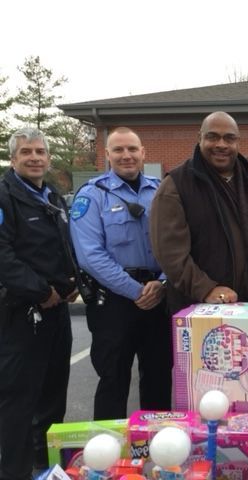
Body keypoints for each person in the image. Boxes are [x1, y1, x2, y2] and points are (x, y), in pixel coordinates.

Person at [69, 127, 171, 420]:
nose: (126, 155)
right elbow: (90, 256)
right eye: (118, 150)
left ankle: (156, 444)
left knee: (159, 378)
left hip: (159, 296)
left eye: (132, 149)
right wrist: (136, 291)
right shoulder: (92, 195)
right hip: (114, 302)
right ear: (107, 155)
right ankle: (109, 447)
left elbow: (178, 242)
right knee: (113, 381)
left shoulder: (162, 190)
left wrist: (163, 282)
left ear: (143, 153)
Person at [0, 127, 78, 479]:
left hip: (57, 311)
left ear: (48, 157)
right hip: (22, 314)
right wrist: (41, 291)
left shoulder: (52, 195)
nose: (34, 158)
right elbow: (3, 256)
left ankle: (45, 466)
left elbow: (64, 246)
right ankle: (14, 471)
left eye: (40, 152)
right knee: (19, 400)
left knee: (53, 393)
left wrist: (72, 282)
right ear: (13, 158)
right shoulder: (5, 196)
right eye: (26, 152)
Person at [150, 111, 248, 314]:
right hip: (204, 311)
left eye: (229, 138)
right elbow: (169, 253)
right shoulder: (176, 185)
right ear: (200, 138)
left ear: (238, 142)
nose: (221, 144)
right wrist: (205, 289)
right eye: (212, 137)